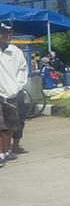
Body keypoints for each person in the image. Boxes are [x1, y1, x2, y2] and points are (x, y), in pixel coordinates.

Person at [0, 22, 27, 166]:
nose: (7, 35)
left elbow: (23, 69)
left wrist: (18, 86)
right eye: (4, 32)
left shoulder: (15, 51)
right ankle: (2, 151)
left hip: (14, 93)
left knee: (15, 123)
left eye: (9, 33)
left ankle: (12, 147)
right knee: (2, 126)